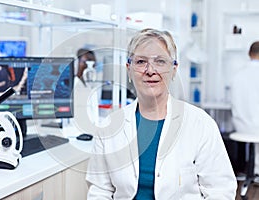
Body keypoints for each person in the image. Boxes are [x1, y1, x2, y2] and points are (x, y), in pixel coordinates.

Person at [86, 28, 237, 199]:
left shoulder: (200, 123)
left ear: (174, 69)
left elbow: (220, 191)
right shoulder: (109, 126)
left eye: (160, 61)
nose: (150, 70)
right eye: (141, 61)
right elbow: (100, 191)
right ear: (129, 68)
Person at [230, 41, 259, 176]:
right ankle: (256, 171)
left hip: (241, 127)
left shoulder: (237, 75)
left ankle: (249, 170)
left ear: (249, 54)